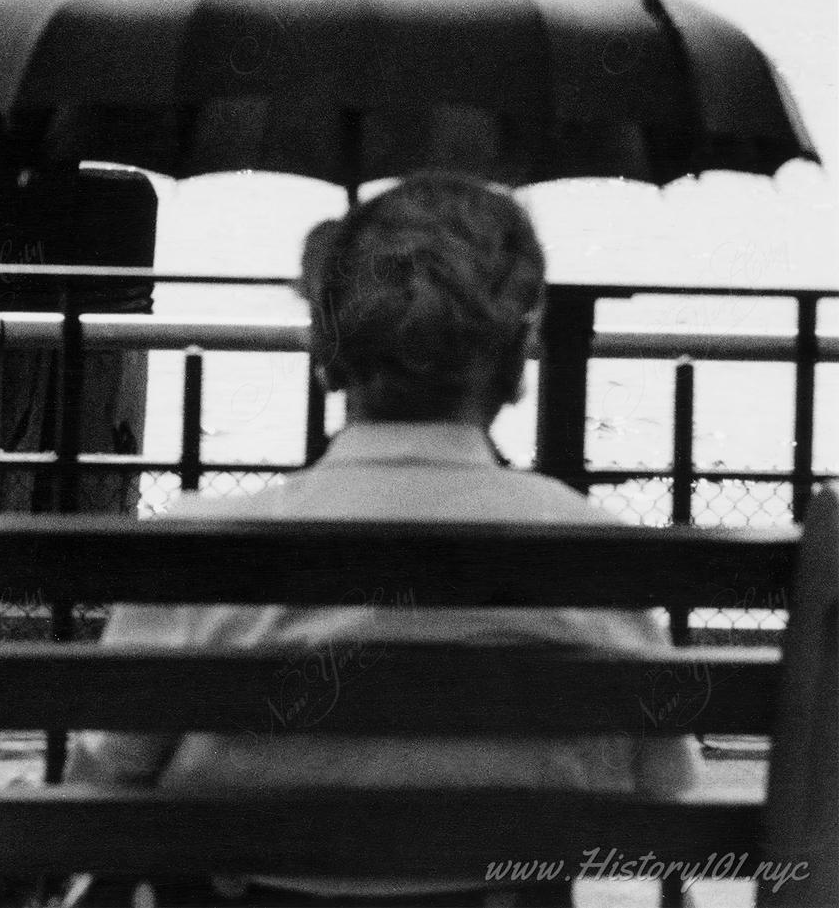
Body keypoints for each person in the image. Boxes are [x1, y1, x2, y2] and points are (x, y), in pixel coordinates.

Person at [58, 171, 700, 907]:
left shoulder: (201, 549)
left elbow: (105, 782)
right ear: (518, 356)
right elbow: (662, 789)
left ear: (329, 349)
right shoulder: (598, 555)